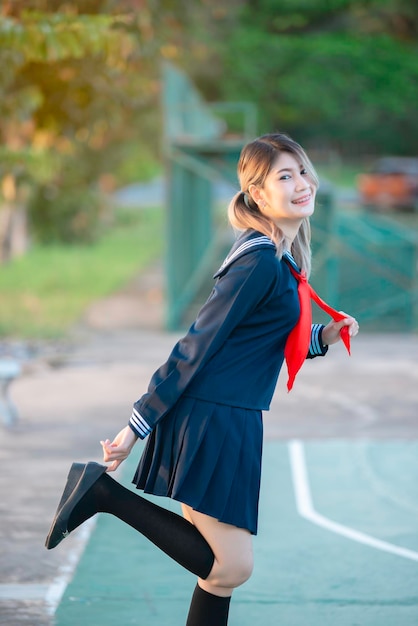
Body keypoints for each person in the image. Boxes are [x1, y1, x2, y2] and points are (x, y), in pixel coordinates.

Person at [45, 133, 359, 625]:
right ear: (257, 194)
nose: (302, 184)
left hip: (229, 415)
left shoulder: (279, 256)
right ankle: (103, 494)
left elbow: (259, 338)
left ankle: (104, 497)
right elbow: (195, 345)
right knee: (231, 566)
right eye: (285, 176)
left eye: (302, 171)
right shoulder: (258, 260)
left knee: (217, 575)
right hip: (212, 418)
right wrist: (135, 427)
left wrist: (323, 336)